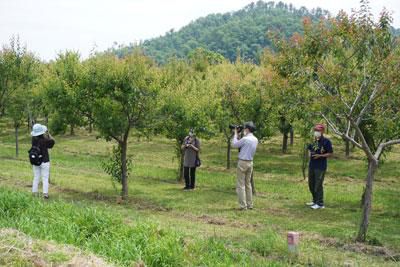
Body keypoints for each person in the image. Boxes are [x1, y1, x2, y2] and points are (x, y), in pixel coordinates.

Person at [232, 122, 258, 210]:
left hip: (242, 162)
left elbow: (234, 144)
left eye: (244, 128)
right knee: (248, 184)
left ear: (247, 129)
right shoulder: (255, 139)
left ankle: (243, 206)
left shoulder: (245, 139)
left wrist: (235, 134)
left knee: (241, 184)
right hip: (250, 162)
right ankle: (250, 204)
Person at [307, 123, 333, 209]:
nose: (316, 132)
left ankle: (320, 203)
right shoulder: (313, 141)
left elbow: (330, 153)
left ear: (322, 131)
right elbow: (309, 149)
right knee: (311, 184)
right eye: (315, 130)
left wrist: (320, 156)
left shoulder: (326, 141)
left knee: (318, 184)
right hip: (312, 165)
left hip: (320, 167)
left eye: (318, 130)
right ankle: (314, 201)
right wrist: (310, 154)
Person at [30, 123, 55, 199]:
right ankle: (45, 194)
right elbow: (52, 142)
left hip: (36, 161)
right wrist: (48, 134)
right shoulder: (45, 140)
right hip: (44, 161)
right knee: (45, 177)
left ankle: (34, 192)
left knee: (36, 177)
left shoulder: (33, 140)